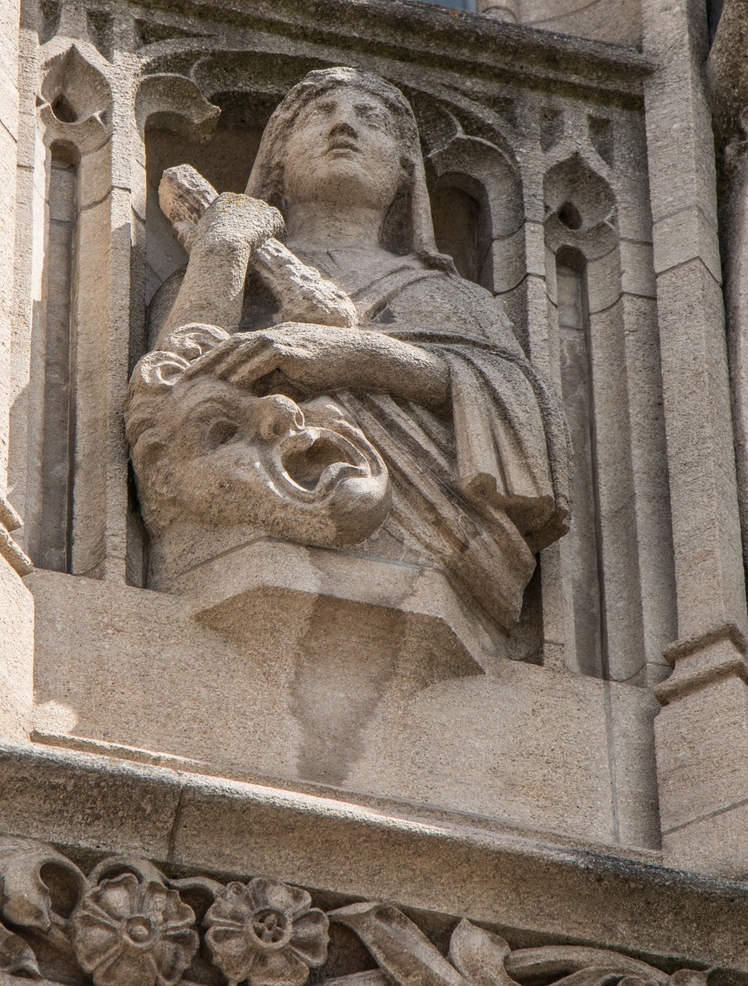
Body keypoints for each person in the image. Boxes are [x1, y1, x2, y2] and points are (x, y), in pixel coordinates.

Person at [143, 67, 571, 630]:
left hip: (436, 544)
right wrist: (224, 245)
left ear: (403, 170)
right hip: (249, 524)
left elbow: (523, 414)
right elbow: (166, 399)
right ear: (277, 158)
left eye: (369, 119)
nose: (343, 124)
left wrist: (352, 356)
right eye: (319, 114)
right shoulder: (220, 277)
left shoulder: (453, 298)